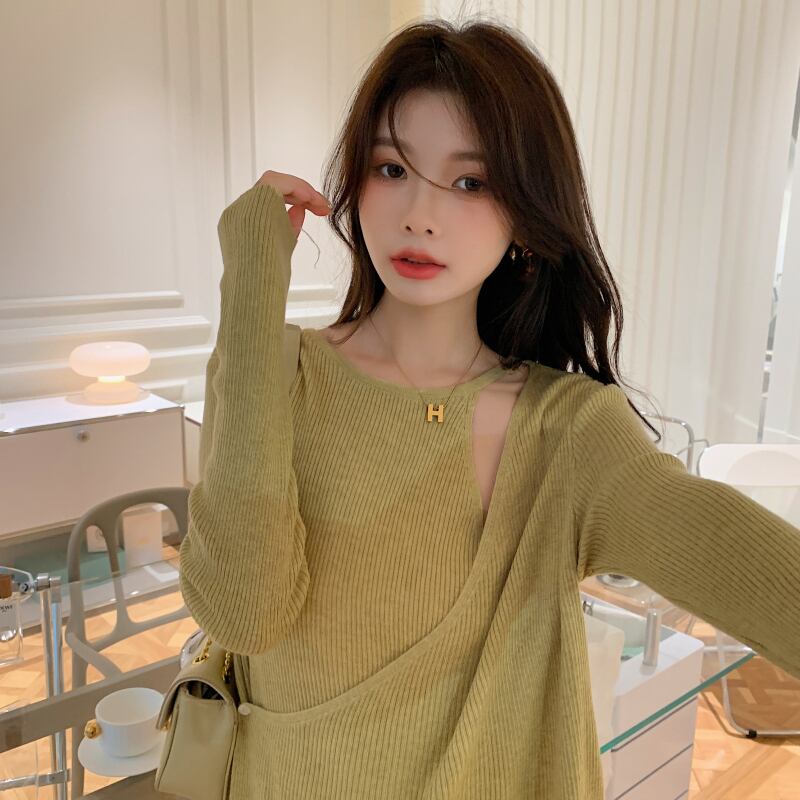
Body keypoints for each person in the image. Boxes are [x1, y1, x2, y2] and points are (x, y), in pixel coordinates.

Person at [177, 18, 800, 799]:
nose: (420, 214)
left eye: (470, 183)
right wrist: (251, 284)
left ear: (525, 222)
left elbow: (741, 561)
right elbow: (244, 611)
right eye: (392, 168)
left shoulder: (564, 433)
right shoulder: (273, 373)